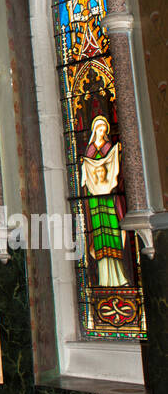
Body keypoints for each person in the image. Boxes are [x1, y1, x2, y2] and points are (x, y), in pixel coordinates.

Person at [80, 115, 129, 287]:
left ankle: (120, 277)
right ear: (95, 131)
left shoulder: (109, 147)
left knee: (113, 234)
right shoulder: (90, 150)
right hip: (95, 200)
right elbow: (86, 169)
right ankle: (103, 278)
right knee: (100, 237)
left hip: (109, 197)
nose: (101, 132)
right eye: (99, 129)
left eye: (103, 130)